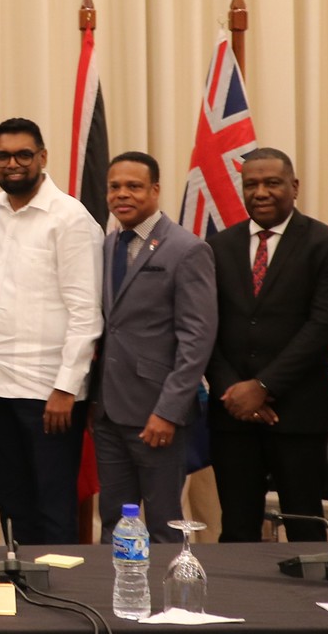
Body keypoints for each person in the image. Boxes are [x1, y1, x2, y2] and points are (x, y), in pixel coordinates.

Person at [205, 148, 328, 543]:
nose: (261, 192)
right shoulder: (217, 247)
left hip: (299, 412)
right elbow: (204, 328)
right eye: (251, 184)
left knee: (304, 526)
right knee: (237, 529)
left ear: (294, 186)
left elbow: (324, 327)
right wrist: (232, 390)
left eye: (272, 183)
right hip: (232, 414)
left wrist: (263, 386)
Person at [0, 118, 103, 546]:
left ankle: (60, 587)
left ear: (43, 157)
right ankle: (19, 580)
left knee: (53, 506)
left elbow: (86, 313)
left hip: (49, 393)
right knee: (12, 504)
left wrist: (66, 388)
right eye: (2, 156)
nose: (12, 164)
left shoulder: (70, 218)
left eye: (23, 155)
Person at [94, 151, 217, 542]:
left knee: (165, 524)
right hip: (108, 410)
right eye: (114, 187)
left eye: (133, 186)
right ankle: (116, 581)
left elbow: (197, 339)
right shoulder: (108, 244)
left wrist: (168, 411)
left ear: (155, 190)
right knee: (114, 521)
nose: (122, 194)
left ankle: (171, 586)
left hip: (156, 414)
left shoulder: (186, 248)